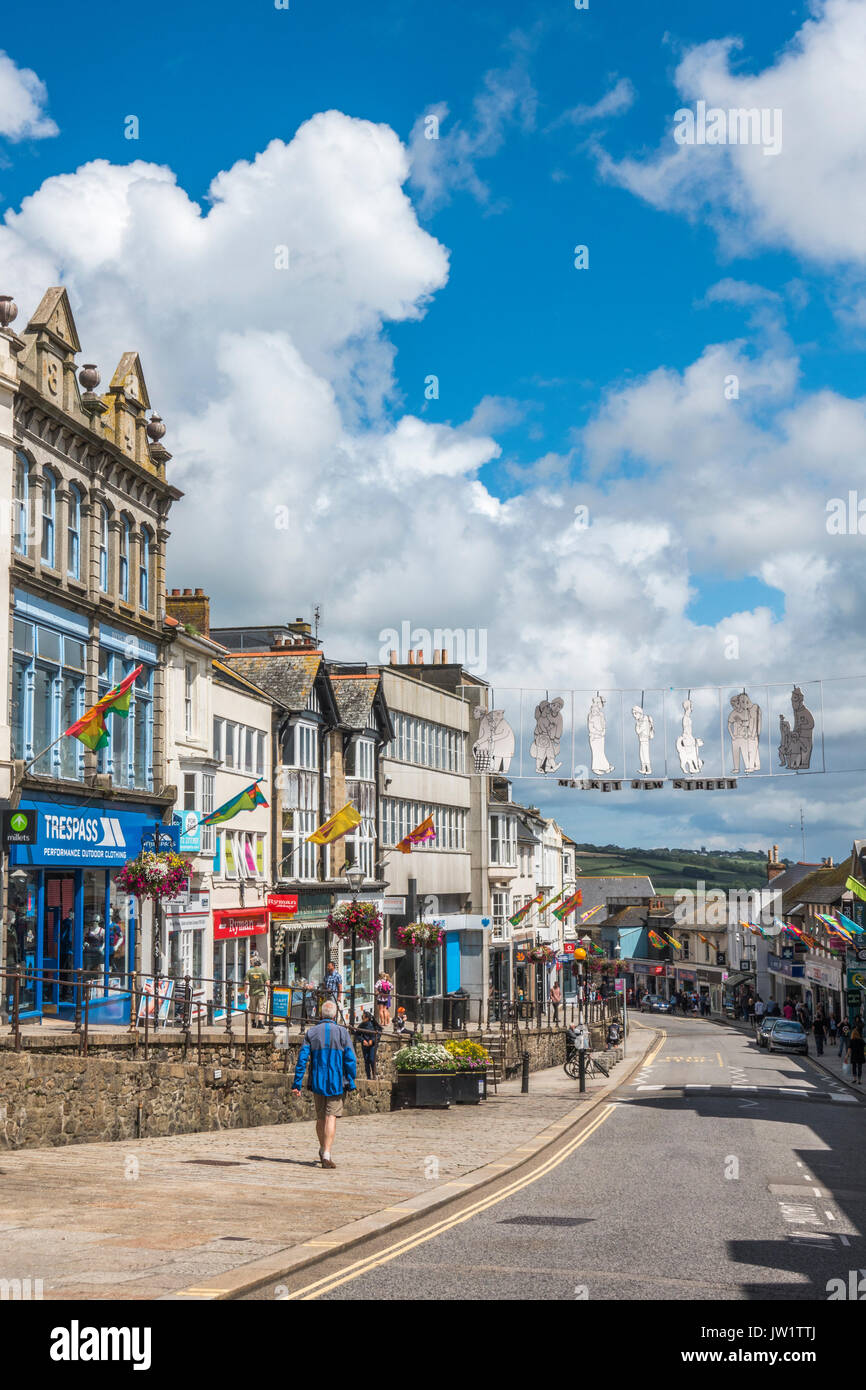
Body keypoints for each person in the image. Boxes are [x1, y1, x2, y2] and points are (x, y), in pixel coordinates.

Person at [291, 999, 356, 1168]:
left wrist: (297, 1084)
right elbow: (350, 1059)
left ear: (321, 1014)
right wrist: (352, 1078)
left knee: (320, 1117)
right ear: (335, 1015)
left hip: (317, 1080)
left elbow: (302, 1059)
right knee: (331, 1116)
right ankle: (327, 1153)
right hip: (337, 1080)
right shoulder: (343, 1032)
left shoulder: (311, 1033)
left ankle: (322, 1148)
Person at [245, 951, 270, 1029]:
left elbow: (246, 982)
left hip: (252, 993)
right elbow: (267, 982)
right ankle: (260, 1024)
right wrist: (269, 992)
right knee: (261, 1008)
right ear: (259, 963)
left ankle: (253, 1023)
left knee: (252, 1008)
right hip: (261, 993)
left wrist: (246, 992)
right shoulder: (263, 971)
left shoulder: (249, 971)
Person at [355, 1008, 381, 1079]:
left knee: (372, 1059)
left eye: (363, 1017)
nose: (362, 1019)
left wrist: (372, 1041)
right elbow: (357, 1034)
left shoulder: (374, 1025)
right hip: (365, 1045)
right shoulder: (361, 1025)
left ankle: (374, 1076)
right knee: (366, 1061)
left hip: (373, 1045)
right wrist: (363, 1040)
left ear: (367, 1018)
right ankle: (368, 1077)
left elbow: (378, 1034)